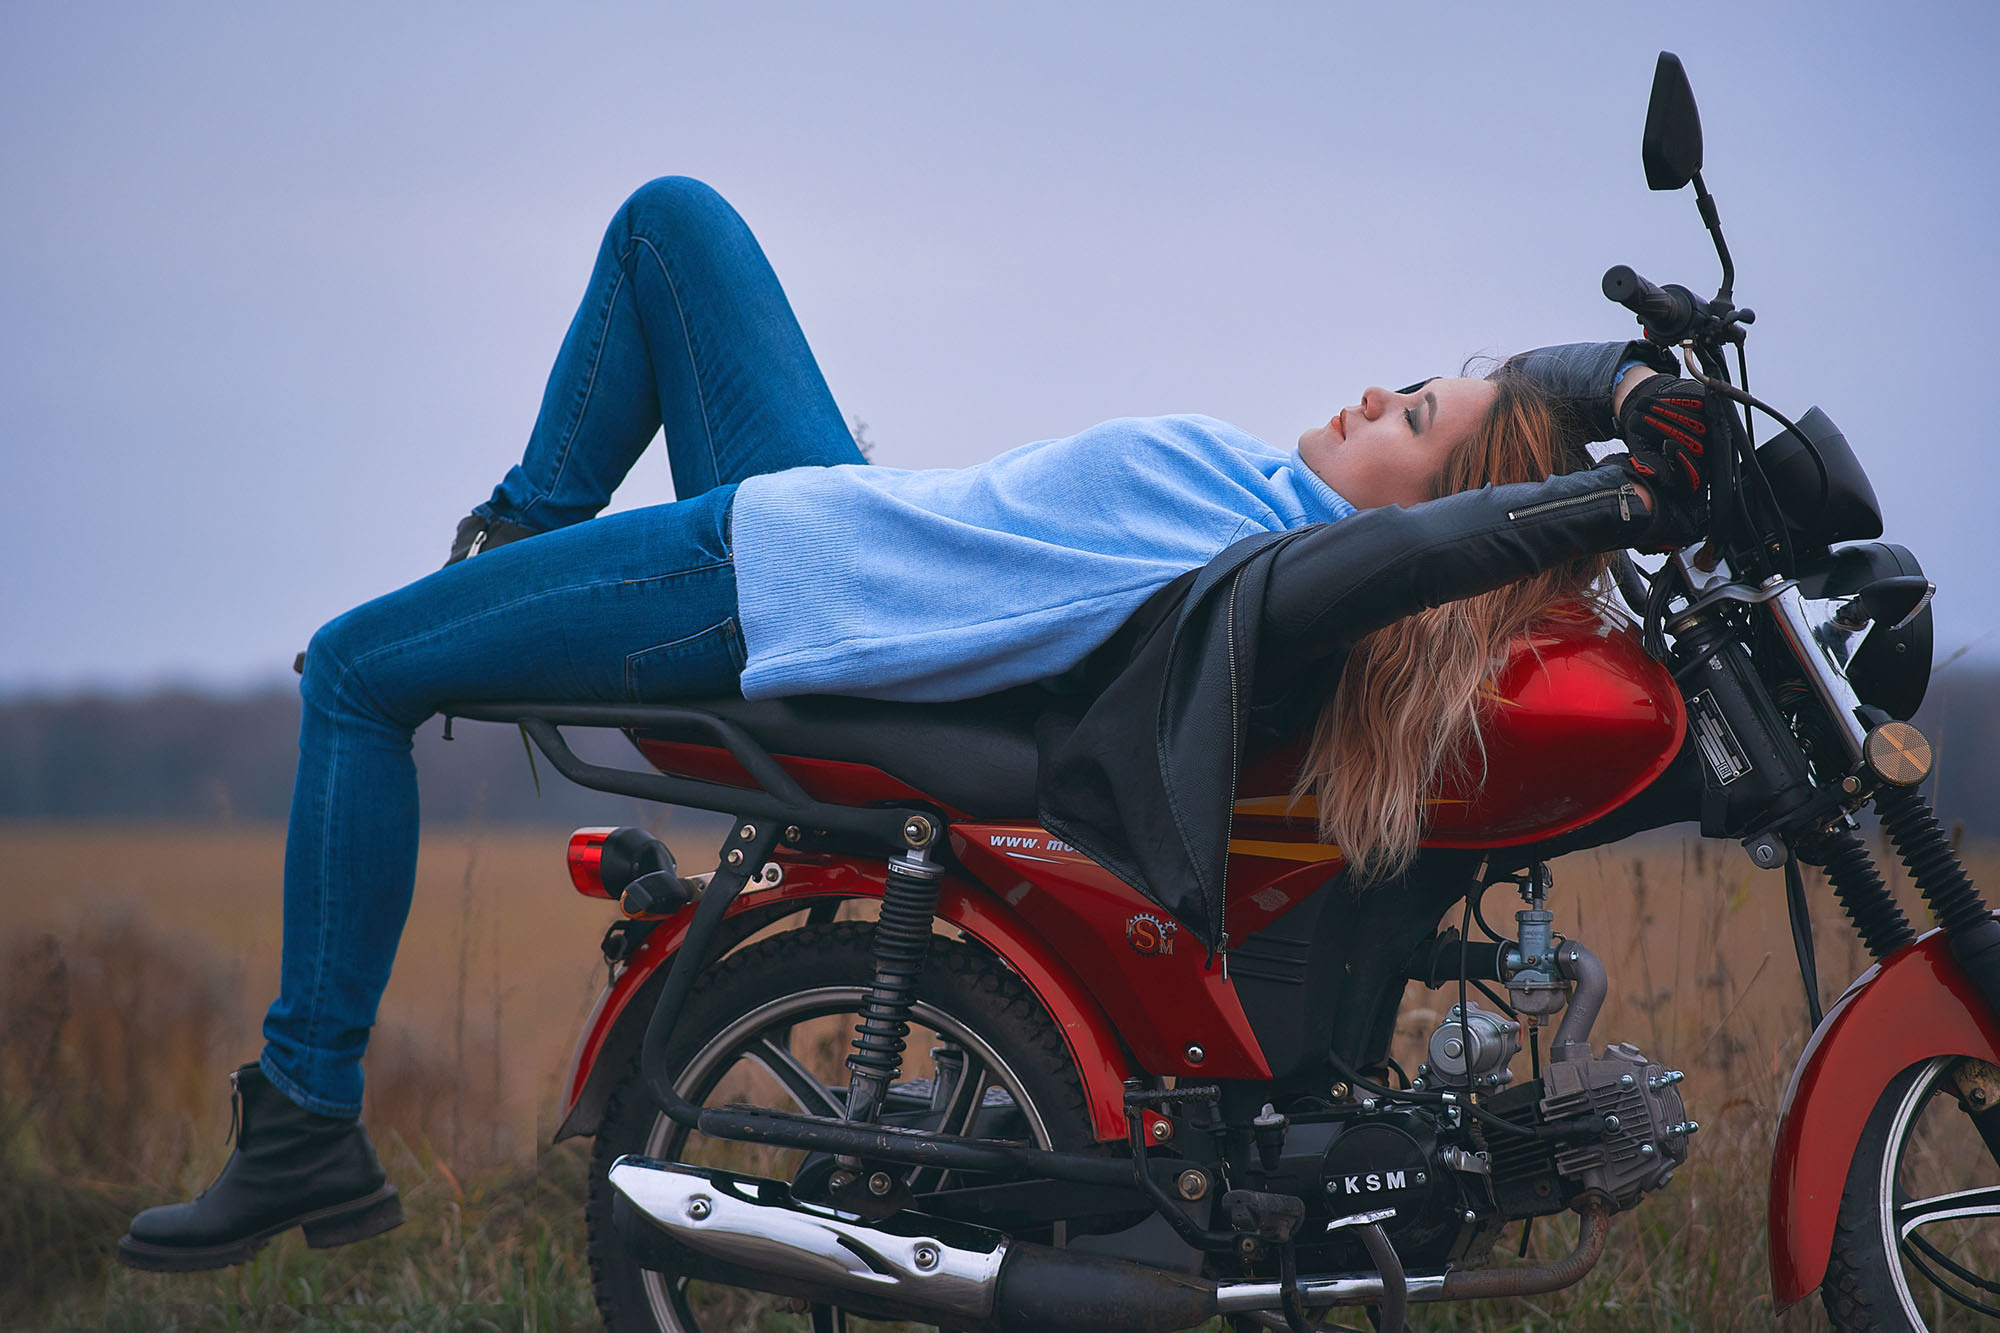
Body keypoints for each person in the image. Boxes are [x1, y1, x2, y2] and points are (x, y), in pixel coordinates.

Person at [117, 177, 1709, 1272]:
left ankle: (306, 1120)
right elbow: (1484, 456)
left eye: (1410, 419)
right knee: (675, 225)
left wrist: (1597, 495)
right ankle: (522, 544)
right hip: (823, 511)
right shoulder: (1280, 501)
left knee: (350, 672)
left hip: (755, 588)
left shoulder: (1294, 562)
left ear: (1427, 516)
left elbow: (1431, 547)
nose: (1376, 394)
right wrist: (1630, 381)